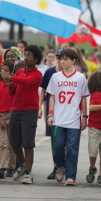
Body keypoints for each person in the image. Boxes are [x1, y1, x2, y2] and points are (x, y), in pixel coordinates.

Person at [0, 44, 43, 184]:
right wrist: (10, 83)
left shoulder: (37, 74)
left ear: (36, 59)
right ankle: (23, 165)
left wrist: (11, 78)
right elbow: (12, 92)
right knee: (14, 142)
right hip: (15, 110)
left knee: (28, 143)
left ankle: (28, 173)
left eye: (29, 56)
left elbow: (27, 82)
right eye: (25, 55)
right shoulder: (18, 72)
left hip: (29, 111)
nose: (26, 58)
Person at [46, 48, 90, 186]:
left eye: (65, 59)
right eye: (61, 59)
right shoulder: (55, 77)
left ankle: (71, 176)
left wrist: (84, 116)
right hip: (58, 119)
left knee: (72, 149)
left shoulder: (80, 77)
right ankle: (60, 166)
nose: (62, 61)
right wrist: (50, 114)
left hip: (74, 119)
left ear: (73, 60)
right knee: (58, 147)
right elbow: (52, 96)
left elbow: (83, 98)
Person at [38, 48, 62, 179]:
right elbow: (43, 90)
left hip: (67, 112)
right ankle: (56, 167)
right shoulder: (49, 72)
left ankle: (65, 166)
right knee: (54, 141)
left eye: (63, 57)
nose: (60, 60)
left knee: (65, 142)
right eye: (59, 57)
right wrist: (40, 107)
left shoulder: (73, 74)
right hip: (52, 112)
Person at [0, 60, 17, 178]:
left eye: (7, 71)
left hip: (13, 115)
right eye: (2, 71)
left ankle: (11, 167)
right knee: (3, 142)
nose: (4, 73)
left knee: (12, 143)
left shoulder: (14, 86)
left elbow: (16, 102)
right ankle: (2, 167)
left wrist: (11, 119)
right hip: (1, 116)